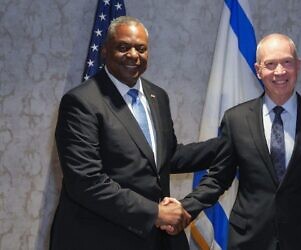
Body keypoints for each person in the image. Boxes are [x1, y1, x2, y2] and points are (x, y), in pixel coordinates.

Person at [179, 33, 301, 250]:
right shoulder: (236, 120)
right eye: (270, 64)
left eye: (287, 62)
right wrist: (185, 208)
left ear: (298, 65)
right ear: (258, 70)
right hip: (249, 240)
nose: (279, 71)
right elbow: (219, 178)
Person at [50, 16, 222, 250]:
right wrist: (155, 213)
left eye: (141, 48)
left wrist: (227, 144)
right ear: (104, 51)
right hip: (100, 237)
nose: (133, 55)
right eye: (123, 47)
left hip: (155, 239)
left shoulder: (157, 96)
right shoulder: (81, 102)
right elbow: (86, 181)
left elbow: (164, 158)